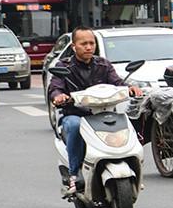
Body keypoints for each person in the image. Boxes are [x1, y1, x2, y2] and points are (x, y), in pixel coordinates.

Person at [48, 27, 144, 194]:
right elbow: (55, 88)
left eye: (91, 43)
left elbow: (117, 83)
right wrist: (59, 96)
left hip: (103, 114)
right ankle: (74, 174)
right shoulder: (64, 66)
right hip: (76, 114)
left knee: (127, 122)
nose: (88, 47)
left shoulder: (103, 64)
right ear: (74, 46)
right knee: (73, 125)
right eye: (83, 43)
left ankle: (134, 166)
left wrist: (131, 88)